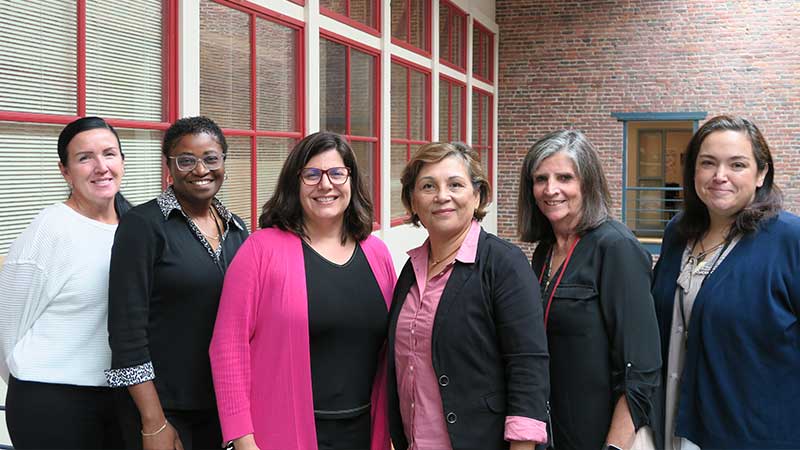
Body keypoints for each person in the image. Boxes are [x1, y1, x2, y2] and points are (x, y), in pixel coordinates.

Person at [209, 132, 396, 450]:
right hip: (283, 432)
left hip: (365, 432)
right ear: (294, 183)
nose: (325, 185)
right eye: (312, 174)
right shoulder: (261, 250)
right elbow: (227, 348)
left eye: (337, 173)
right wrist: (242, 440)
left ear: (351, 180)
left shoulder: (376, 254)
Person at [650, 115, 800, 449]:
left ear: (761, 173)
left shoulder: (789, 240)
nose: (720, 176)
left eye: (737, 164)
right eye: (708, 163)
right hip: (673, 428)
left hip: (754, 436)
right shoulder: (677, 233)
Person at [387, 142, 550, 450]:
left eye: (455, 184)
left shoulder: (504, 264)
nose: (442, 196)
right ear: (413, 201)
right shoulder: (411, 269)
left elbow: (528, 369)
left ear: (476, 196)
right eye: (428, 186)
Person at [106, 116, 249, 450]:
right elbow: (126, 332)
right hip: (165, 409)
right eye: (186, 160)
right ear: (169, 165)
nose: (200, 170)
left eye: (211, 158)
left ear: (223, 161)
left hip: (223, 405)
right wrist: (154, 422)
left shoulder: (238, 228)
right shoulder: (142, 226)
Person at [517, 130, 661, 450]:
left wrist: (613, 447)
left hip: (600, 437)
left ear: (587, 183)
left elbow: (640, 369)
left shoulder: (617, 248)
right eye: (541, 179)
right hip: (549, 432)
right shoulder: (544, 251)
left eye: (565, 177)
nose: (551, 189)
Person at [0, 117, 129, 449]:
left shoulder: (136, 227)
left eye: (109, 154)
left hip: (117, 400)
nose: (101, 166)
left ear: (122, 161)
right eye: (85, 158)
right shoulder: (51, 230)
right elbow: (6, 326)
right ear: (65, 171)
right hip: (52, 403)